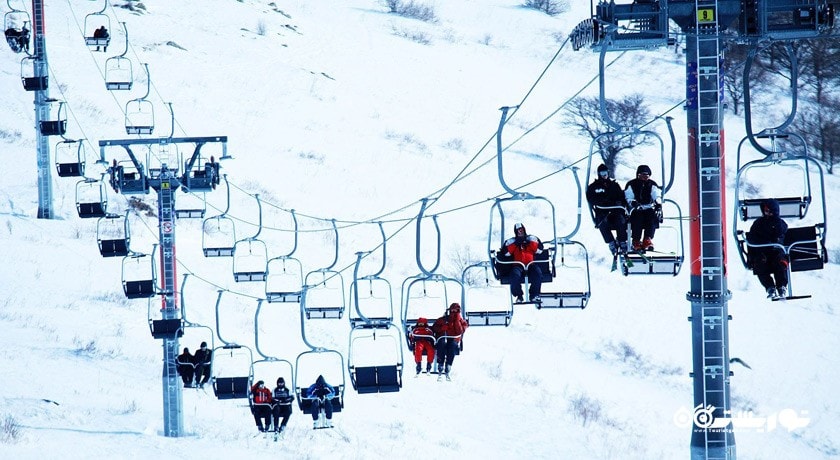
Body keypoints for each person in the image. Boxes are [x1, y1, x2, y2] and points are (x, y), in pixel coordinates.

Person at [747, 198, 789, 299]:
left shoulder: (780, 223)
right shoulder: (758, 223)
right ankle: (770, 287)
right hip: (762, 253)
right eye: (765, 211)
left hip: (776, 252)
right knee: (760, 264)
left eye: (769, 211)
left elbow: (781, 234)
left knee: (780, 263)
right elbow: (752, 239)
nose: (767, 213)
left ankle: (781, 286)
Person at [586, 163, 629, 255]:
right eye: (602, 173)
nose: (604, 175)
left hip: (615, 211)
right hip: (602, 212)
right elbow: (591, 199)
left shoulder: (614, 185)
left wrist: (619, 203)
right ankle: (611, 242)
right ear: (598, 174)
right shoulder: (594, 187)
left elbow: (622, 197)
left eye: (605, 172)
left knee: (621, 220)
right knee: (602, 223)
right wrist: (602, 201)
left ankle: (622, 241)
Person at [501, 222, 543, 303]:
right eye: (518, 231)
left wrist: (529, 243)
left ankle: (534, 294)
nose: (520, 232)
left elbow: (539, 250)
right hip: (518, 265)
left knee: (538, 274)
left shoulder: (531, 239)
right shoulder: (512, 242)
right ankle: (519, 295)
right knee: (514, 276)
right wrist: (516, 243)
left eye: (521, 230)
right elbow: (506, 253)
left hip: (531, 264)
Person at [624, 164, 662, 251]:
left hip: (648, 207)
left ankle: (647, 239)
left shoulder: (652, 184)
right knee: (637, 219)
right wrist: (633, 202)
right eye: (641, 175)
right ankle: (636, 240)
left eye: (646, 176)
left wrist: (658, 204)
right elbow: (628, 196)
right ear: (638, 175)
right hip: (636, 209)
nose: (644, 178)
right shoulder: (632, 184)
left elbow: (656, 194)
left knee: (652, 217)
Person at [432, 303, 468, 382]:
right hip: (442, 339)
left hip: (453, 340)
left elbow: (460, 331)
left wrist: (457, 320)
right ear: (450, 310)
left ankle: (448, 364)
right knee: (441, 343)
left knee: (452, 345)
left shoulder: (462, 322)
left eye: (456, 311)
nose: (454, 312)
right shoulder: (443, 320)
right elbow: (434, 328)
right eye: (453, 310)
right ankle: (440, 363)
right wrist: (442, 328)